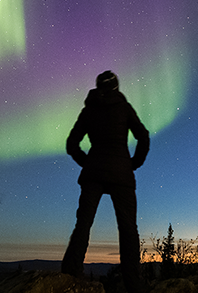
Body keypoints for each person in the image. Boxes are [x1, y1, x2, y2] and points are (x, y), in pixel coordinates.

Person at [61, 70, 151, 292]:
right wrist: (133, 163)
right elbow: (143, 137)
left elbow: (71, 144)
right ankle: (133, 283)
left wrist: (88, 162)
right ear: (116, 87)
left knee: (83, 223)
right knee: (128, 229)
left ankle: (70, 272)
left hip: (94, 173)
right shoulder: (124, 108)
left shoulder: (89, 111)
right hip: (122, 174)